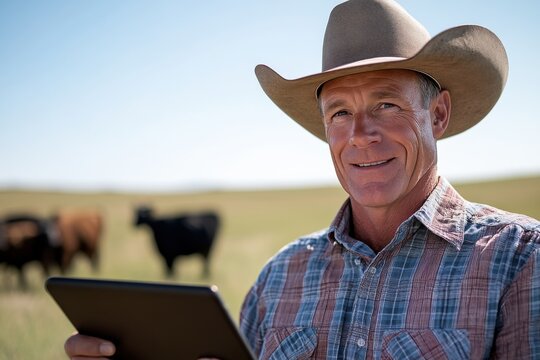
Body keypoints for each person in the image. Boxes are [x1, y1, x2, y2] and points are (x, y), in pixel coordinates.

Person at [64, 0, 540, 359]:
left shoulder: (518, 260)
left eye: (386, 105)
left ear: (437, 115)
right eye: (339, 113)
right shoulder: (281, 276)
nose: (360, 136)